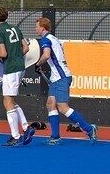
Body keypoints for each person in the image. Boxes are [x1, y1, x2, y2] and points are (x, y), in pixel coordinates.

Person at [34, 17, 97, 145]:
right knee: (50, 104)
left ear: (42, 27)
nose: (35, 28)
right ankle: (55, 137)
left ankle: (90, 129)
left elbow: (46, 55)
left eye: (36, 26)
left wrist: (37, 64)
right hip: (57, 77)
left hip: (61, 77)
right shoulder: (53, 38)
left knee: (63, 108)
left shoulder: (46, 39)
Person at [0, 6, 32, 146]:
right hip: (20, 67)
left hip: (11, 69)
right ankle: (26, 128)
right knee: (10, 101)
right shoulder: (15, 28)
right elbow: (26, 48)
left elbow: (3, 53)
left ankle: (15, 136)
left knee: (8, 102)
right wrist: (17, 56)